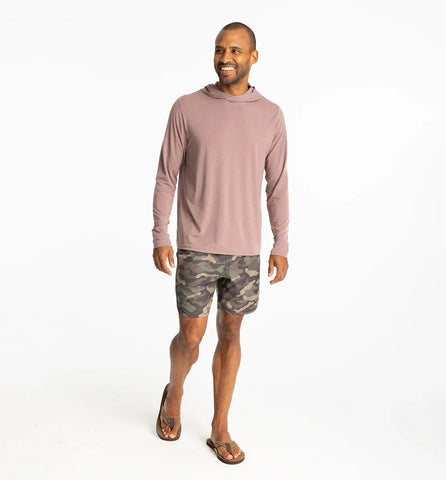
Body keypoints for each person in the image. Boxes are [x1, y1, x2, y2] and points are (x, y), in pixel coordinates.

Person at [152, 21, 289, 464]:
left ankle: (219, 427)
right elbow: (166, 175)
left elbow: (277, 185)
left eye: (235, 50)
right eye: (219, 49)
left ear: (253, 57)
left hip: (245, 250)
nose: (225, 58)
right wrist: (160, 233)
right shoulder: (187, 107)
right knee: (191, 337)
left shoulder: (271, 115)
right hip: (196, 244)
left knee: (231, 333)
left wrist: (281, 243)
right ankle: (174, 393)